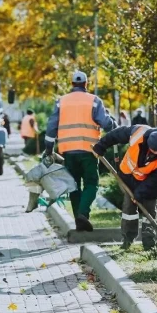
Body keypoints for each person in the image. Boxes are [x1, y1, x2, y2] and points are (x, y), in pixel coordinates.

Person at [45, 70, 116, 232]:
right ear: (86, 84)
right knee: (91, 183)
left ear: (72, 84)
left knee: (74, 186)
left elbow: (51, 126)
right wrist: (114, 124)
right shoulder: (94, 101)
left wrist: (49, 148)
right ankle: (83, 214)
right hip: (89, 150)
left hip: (68, 152)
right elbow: (105, 123)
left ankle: (79, 219)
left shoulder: (61, 101)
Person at [93, 125, 157, 250]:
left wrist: (140, 193)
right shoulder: (138, 133)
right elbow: (116, 135)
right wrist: (101, 146)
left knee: (149, 211)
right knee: (128, 210)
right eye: (152, 149)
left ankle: (149, 242)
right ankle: (127, 239)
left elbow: (156, 180)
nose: (155, 153)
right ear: (147, 143)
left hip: (150, 185)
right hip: (128, 178)